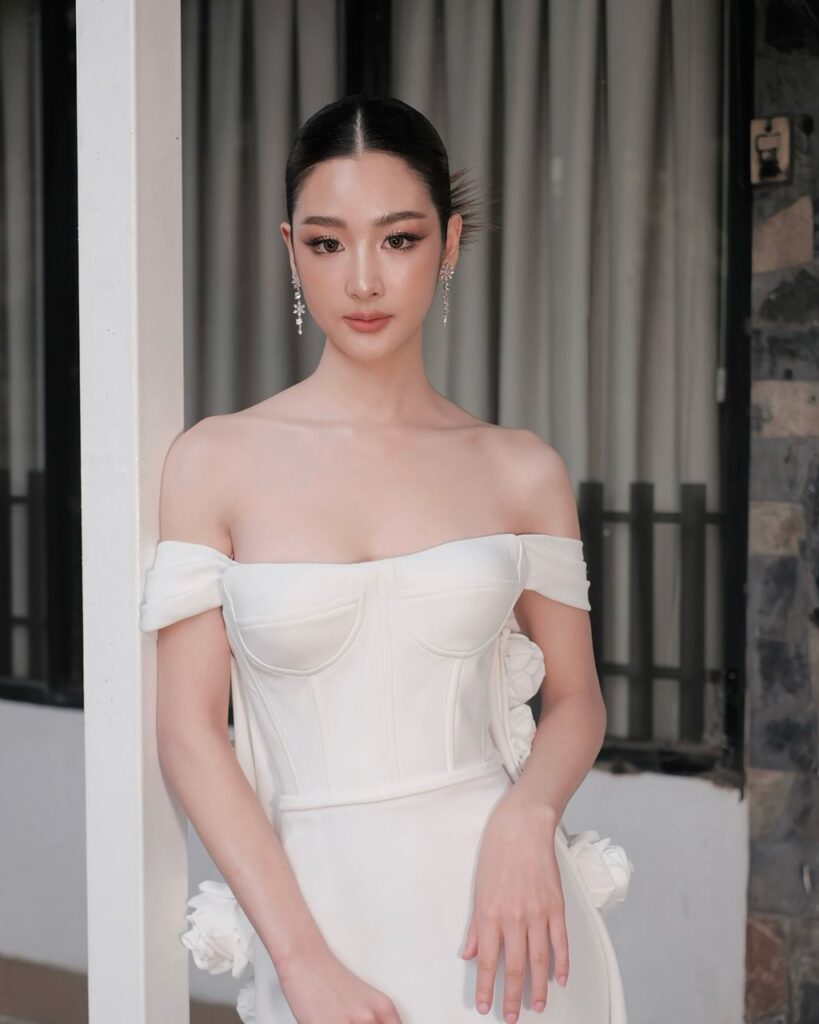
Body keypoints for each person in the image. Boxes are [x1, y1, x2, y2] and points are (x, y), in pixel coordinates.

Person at [139, 94, 632, 1024]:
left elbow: (576, 699)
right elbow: (188, 733)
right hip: (318, 926)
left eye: (398, 239)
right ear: (291, 251)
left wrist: (528, 819)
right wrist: (300, 963)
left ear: (449, 244)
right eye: (327, 243)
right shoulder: (214, 462)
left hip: (511, 924)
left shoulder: (519, 468)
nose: (362, 280)